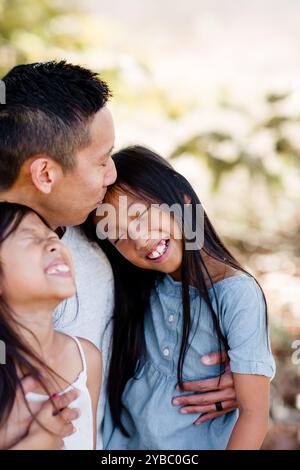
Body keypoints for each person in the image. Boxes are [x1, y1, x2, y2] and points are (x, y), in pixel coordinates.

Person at [0, 61, 238, 449]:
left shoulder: (95, 227)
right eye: (101, 160)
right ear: (45, 175)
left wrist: (242, 362)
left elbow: (170, 272)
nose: (112, 173)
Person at [89, 146, 276, 450]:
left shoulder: (236, 294)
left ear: (182, 199)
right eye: (119, 236)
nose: (139, 238)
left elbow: (254, 415)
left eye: (141, 215)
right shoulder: (146, 289)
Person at [0, 202, 102, 449]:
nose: (55, 244)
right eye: (30, 237)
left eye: (51, 236)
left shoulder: (87, 359)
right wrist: (38, 441)